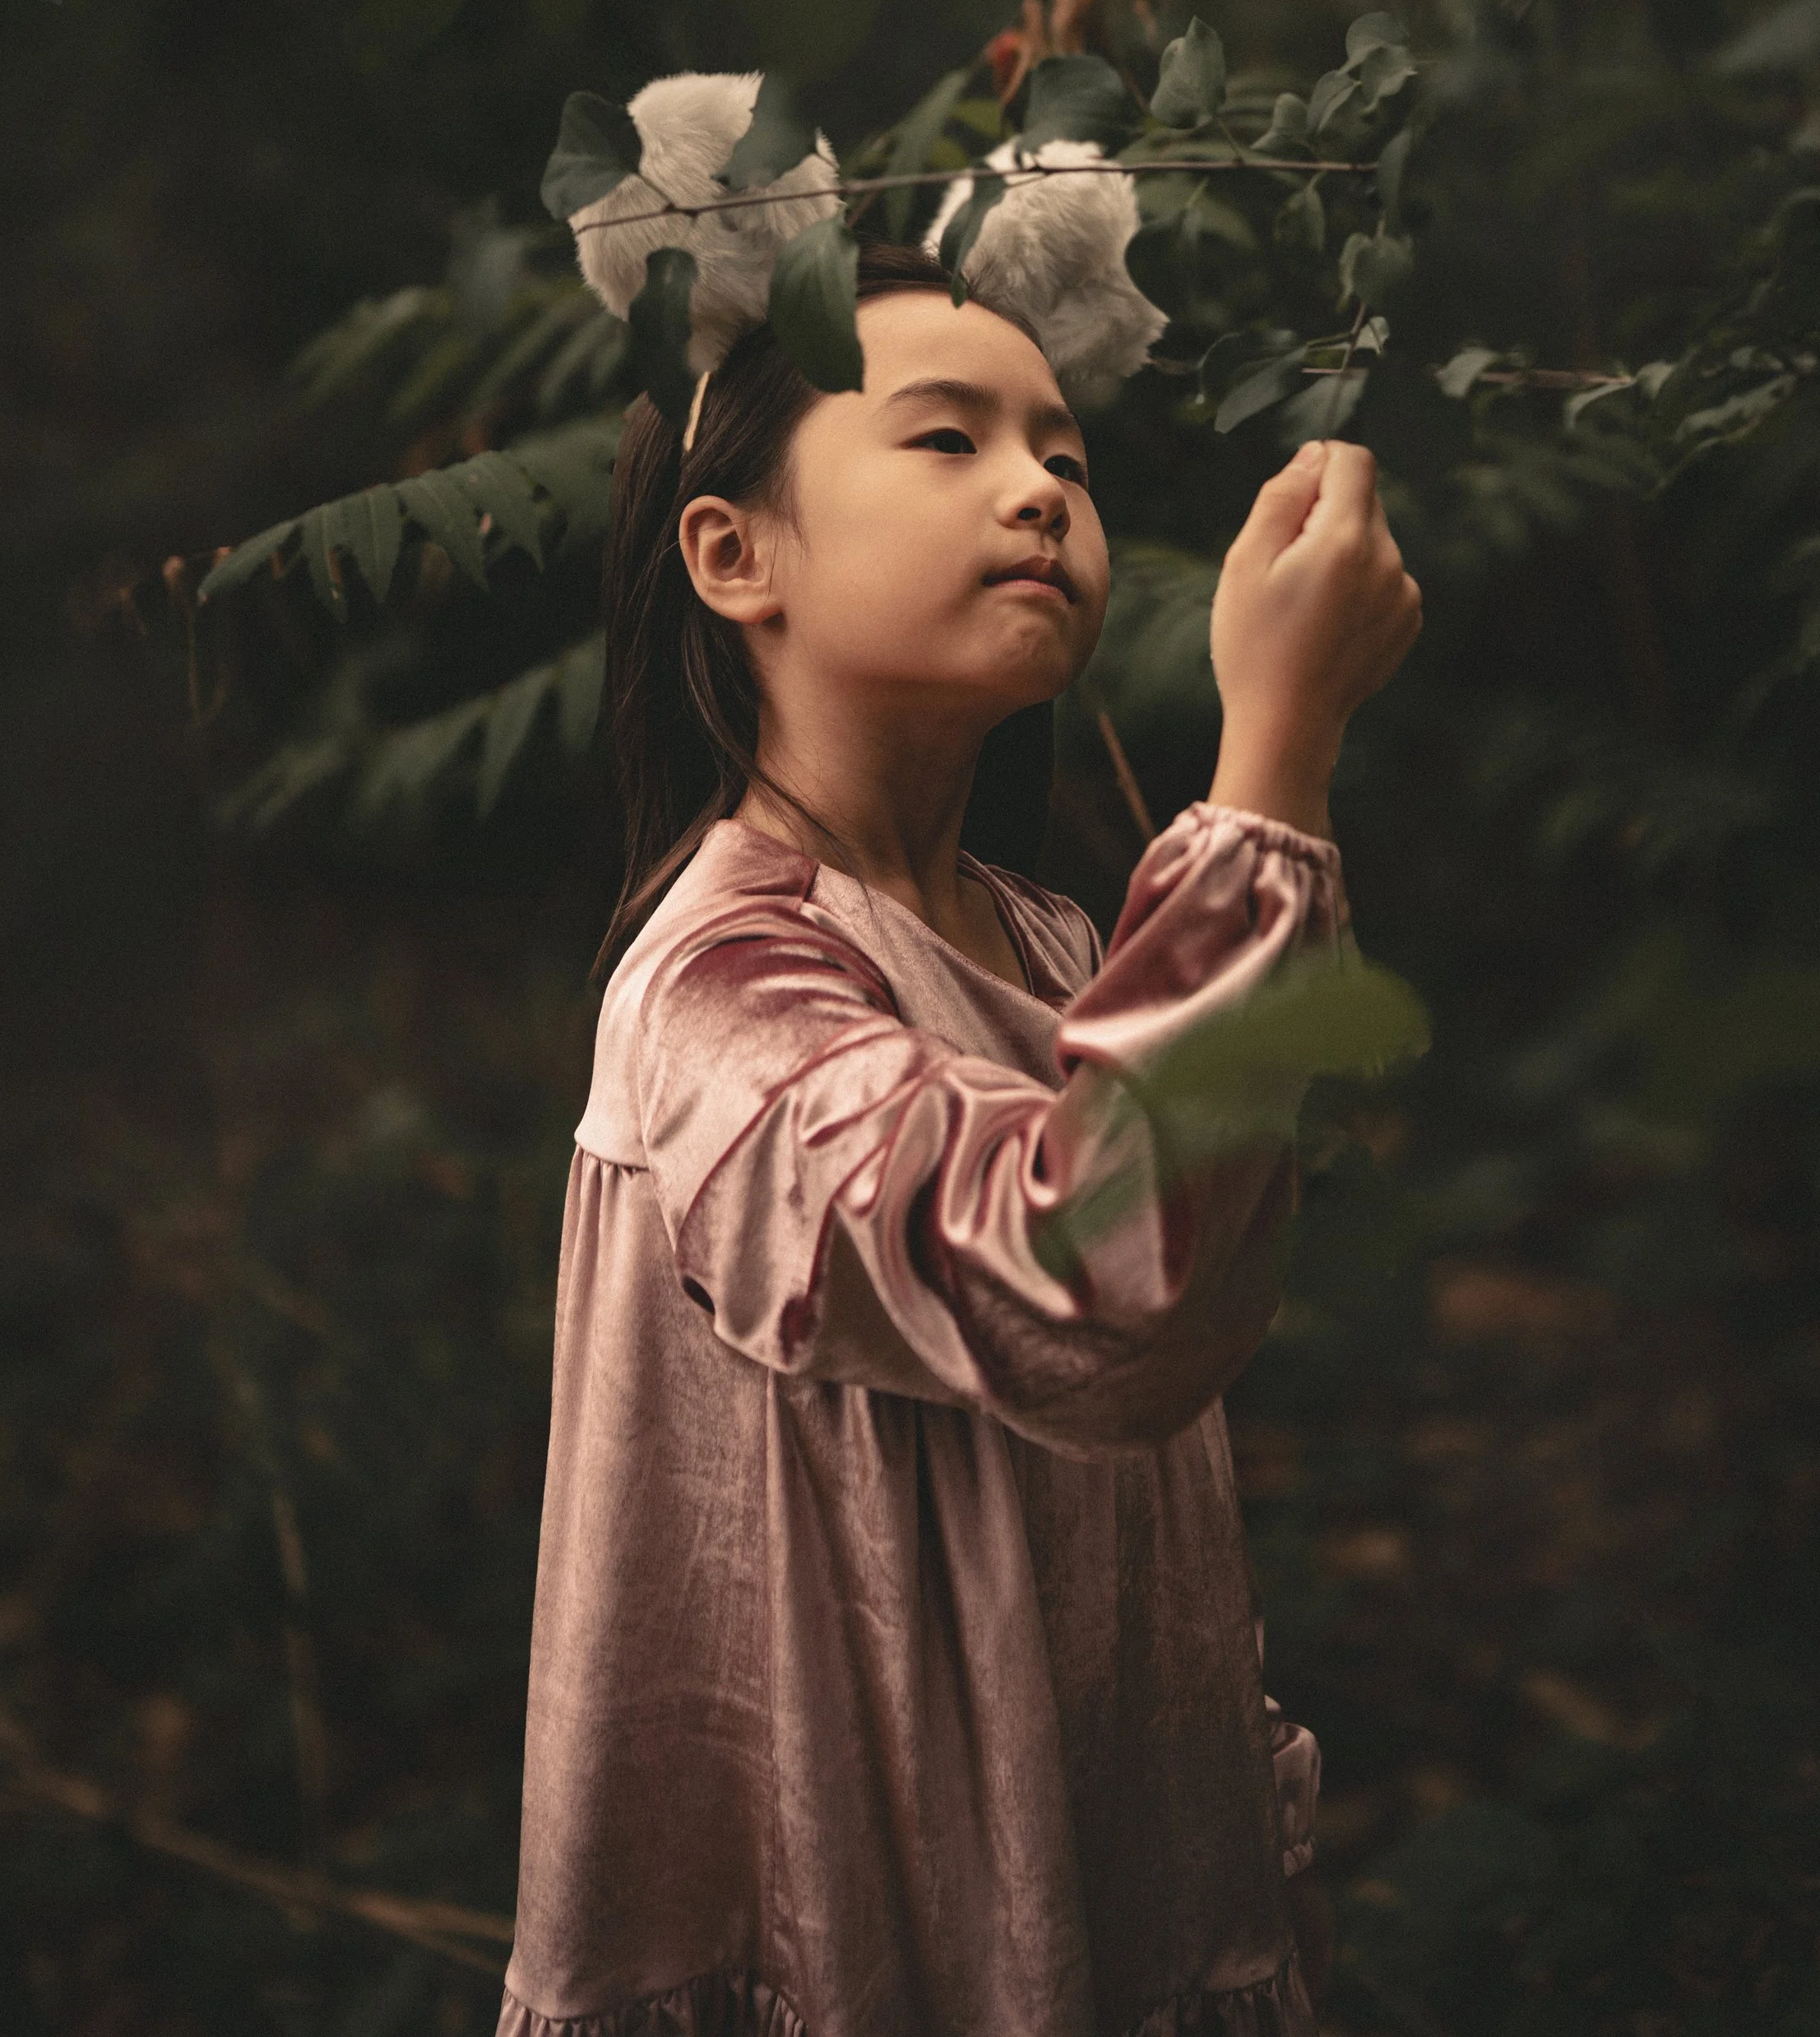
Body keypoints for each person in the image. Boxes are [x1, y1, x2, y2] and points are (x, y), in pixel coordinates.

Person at [498, 241, 1423, 2037]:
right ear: (729, 555)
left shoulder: (1064, 943)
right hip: (894, 1921)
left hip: (1104, 1852)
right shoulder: (716, 995)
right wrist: (1277, 747)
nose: (1037, 495)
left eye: (1066, 460)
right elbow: (1098, 1287)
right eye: (944, 441)